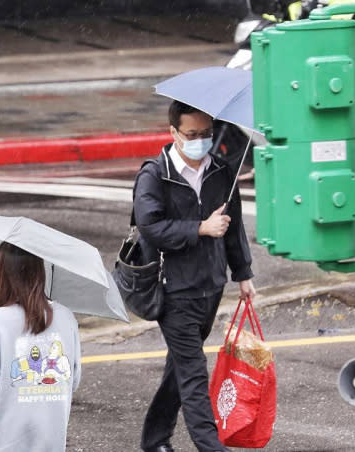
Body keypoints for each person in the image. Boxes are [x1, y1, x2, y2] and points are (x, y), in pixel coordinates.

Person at [134, 101, 256, 452]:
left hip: (210, 286)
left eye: (206, 134)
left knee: (180, 367)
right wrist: (200, 228)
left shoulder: (221, 171)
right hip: (173, 291)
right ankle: (211, 446)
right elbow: (151, 226)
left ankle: (154, 440)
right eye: (192, 135)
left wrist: (243, 273)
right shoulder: (154, 175)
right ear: (173, 132)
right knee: (193, 373)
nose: (200, 141)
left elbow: (232, 230)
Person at [0, 242, 81, 452]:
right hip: (51, 442)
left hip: (1, 443)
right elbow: (73, 380)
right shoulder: (65, 317)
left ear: (2, 275)